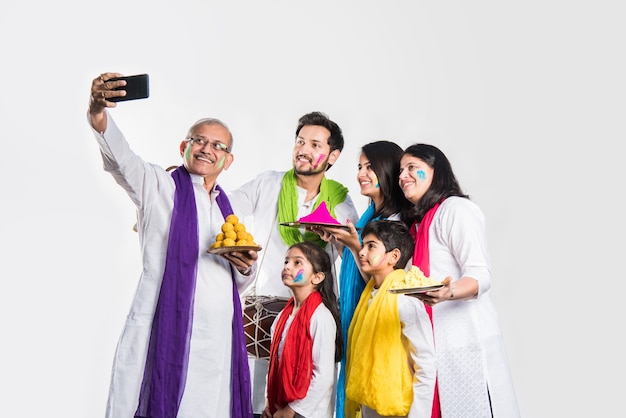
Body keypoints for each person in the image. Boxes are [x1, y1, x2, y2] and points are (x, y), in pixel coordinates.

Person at [87, 72, 258, 418]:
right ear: (184, 148)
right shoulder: (158, 187)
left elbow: (240, 280)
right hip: (165, 332)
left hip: (219, 344)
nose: (207, 149)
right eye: (199, 140)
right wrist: (98, 114)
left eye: (218, 146)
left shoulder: (231, 208)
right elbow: (122, 160)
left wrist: (245, 266)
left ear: (228, 160)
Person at [227, 111, 360, 416]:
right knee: (253, 399)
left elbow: (354, 257)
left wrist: (339, 237)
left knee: (310, 397)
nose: (304, 149)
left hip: (314, 313)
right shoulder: (268, 183)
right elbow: (224, 207)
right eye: (300, 141)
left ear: (332, 155)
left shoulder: (339, 200)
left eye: (315, 144)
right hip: (260, 311)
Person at [398, 143, 520, 417]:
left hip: (467, 341)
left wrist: (447, 292)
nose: (402, 176)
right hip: (436, 348)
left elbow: (481, 275)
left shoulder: (455, 210)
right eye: (401, 170)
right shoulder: (419, 223)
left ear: (436, 171)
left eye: (412, 168)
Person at [313, 140, 410, 417]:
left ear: (388, 170)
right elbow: (361, 265)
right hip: (357, 308)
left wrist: (354, 244)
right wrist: (338, 242)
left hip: (376, 314)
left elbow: (380, 275)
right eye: (359, 167)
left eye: (370, 167)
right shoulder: (372, 213)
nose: (361, 173)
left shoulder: (396, 220)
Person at [344, 220, 436, 418]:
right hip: (370, 403)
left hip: (398, 408)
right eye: (363, 244)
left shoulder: (405, 298)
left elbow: (426, 363)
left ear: (393, 256)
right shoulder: (370, 295)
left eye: (371, 246)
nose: (361, 252)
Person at [263, 242, 342, 418]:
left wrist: (291, 410)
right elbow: (274, 364)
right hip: (279, 408)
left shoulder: (320, 317)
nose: (287, 267)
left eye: (297, 262)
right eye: (286, 261)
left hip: (308, 412)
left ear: (317, 277)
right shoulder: (282, 317)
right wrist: (268, 402)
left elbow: (323, 376)